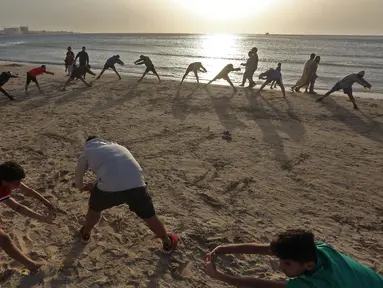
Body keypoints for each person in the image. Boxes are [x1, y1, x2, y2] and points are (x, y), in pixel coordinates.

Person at [74, 136, 179, 253]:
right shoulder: (118, 146)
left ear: (87, 143)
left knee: (94, 210)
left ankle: (86, 233)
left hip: (108, 188)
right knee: (150, 217)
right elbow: (121, 170)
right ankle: (167, 242)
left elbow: (79, 174)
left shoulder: (88, 151)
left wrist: (81, 187)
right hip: (137, 185)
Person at [205, 229, 383, 287]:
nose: (281, 266)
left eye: (287, 263)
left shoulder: (316, 283)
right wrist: (223, 248)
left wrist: (219, 276)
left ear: (309, 265)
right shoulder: (319, 248)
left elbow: (259, 285)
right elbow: (264, 249)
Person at [0, 161, 57, 272]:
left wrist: (48, 204)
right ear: (5, 181)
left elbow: (28, 191)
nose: (19, 185)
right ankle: (32, 265)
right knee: (4, 239)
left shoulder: (4, 178)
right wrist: (43, 218)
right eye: (17, 183)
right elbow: (18, 207)